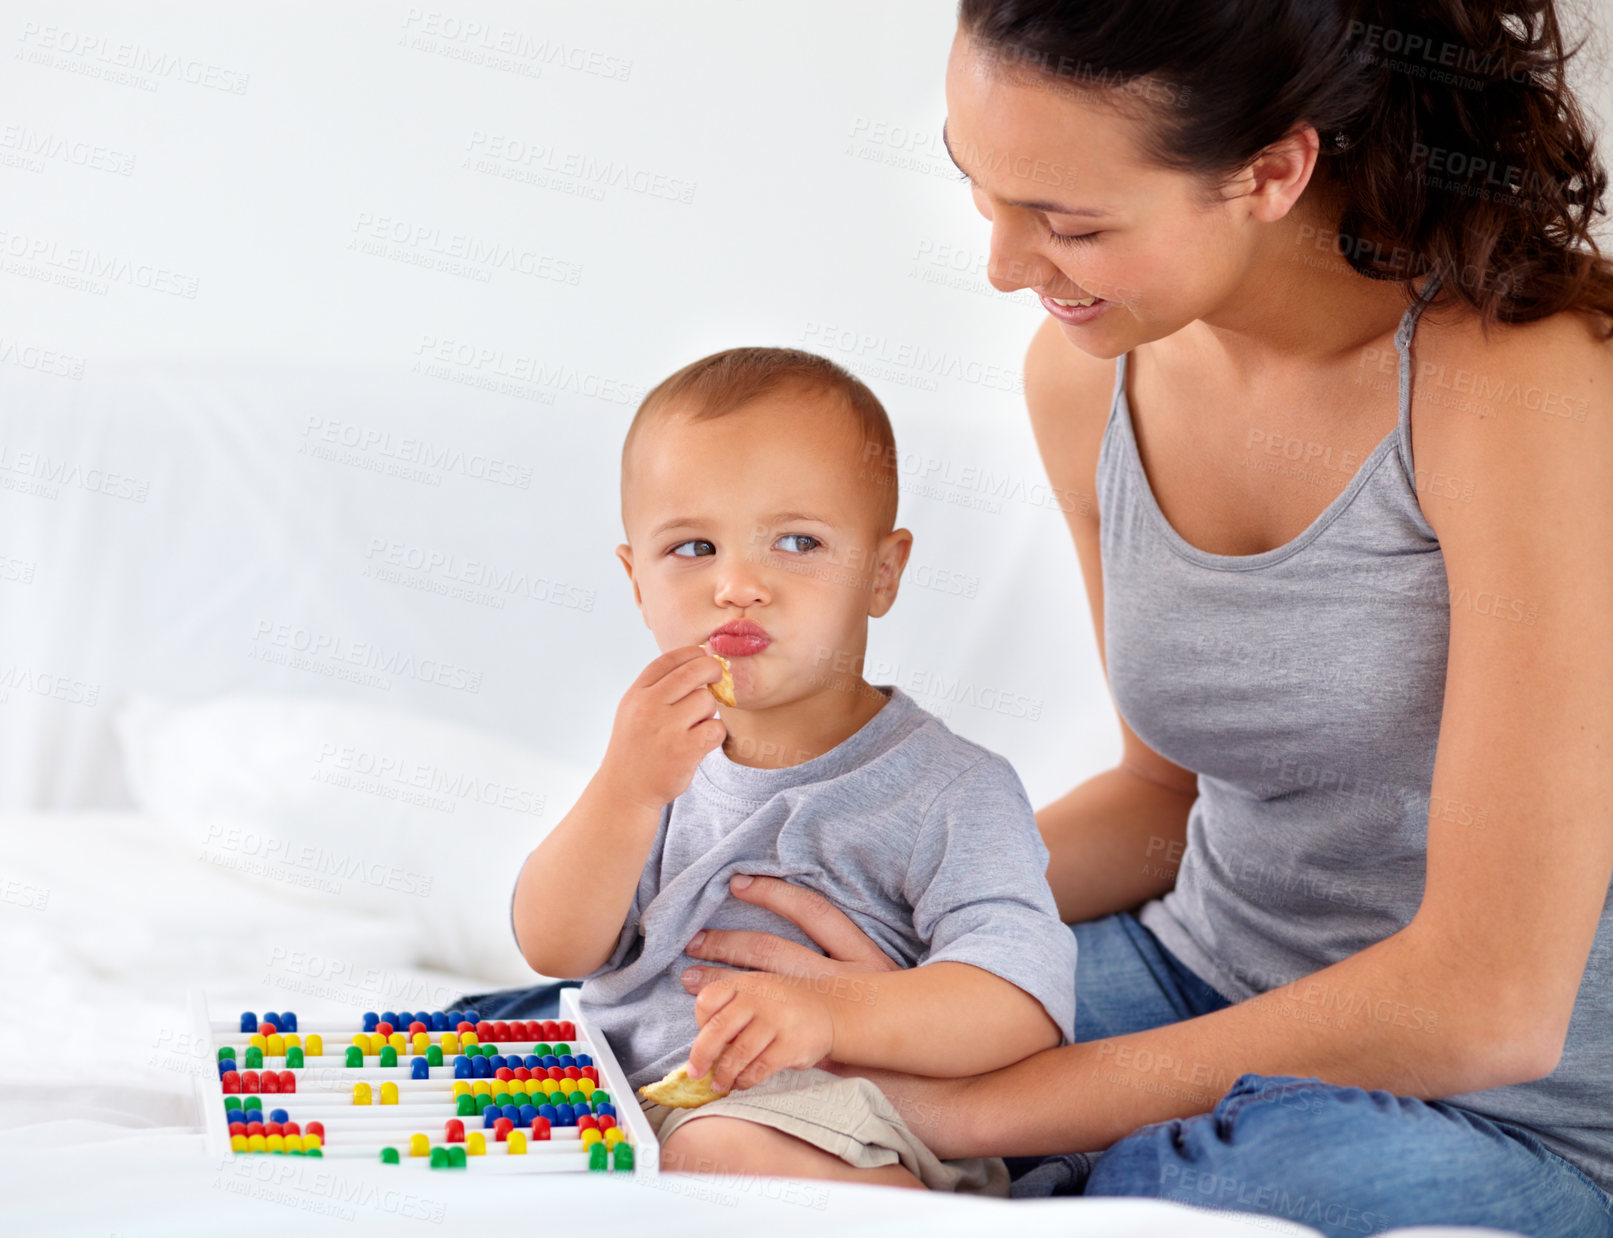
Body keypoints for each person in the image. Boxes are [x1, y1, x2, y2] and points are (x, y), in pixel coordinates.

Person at [462, 1, 1613, 1231]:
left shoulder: (1517, 382)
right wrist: (892, 918)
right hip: (1190, 968)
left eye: (1070, 223)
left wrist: (970, 1107)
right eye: (980, 190)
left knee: (1186, 1191)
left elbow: (1491, 999)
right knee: (673, 1053)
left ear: (1272, 170)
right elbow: (1160, 802)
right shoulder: (1088, 372)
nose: (1006, 266)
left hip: (1515, 1100)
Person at [497, 346, 1078, 1192]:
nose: (736, 585)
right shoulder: (656, 760)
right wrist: (622, 792)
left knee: (713, 1152)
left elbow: (1017, 1003)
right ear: (635, 582)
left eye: (796, 542)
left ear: (881, 574)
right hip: (627, 1102)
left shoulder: (950, 790)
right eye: (693, 547)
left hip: (835, 1115)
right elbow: (555, 947)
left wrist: (832, 1015)